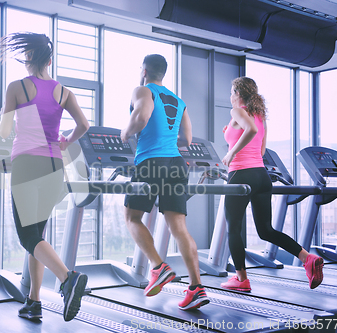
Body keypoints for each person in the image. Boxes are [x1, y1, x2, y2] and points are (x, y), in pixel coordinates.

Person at [0, 32, 90, 321]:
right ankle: (33, 302)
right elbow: (83, 125)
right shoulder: (63, 92)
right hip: (53, 167)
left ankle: (67, 278)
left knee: (28, 236)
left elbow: (3, 131)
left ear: (27, 58)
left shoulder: (16, 87)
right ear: (49, 60)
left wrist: (10, 121)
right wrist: (65, 141)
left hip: (26, 164)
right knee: (37, 236)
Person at [121, 54, 209, 311]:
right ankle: (196, 287)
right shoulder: (178, 100)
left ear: (145, 70)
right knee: (178, 226)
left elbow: (142, 117)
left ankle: (158, 267)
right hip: (176, 164)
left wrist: (126, 132)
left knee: (132, 217)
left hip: (151, 162)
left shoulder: (143, 90)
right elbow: (187, 138)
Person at [221, 76, 324, 292]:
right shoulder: (259, 115)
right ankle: (307, 258)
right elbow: (260, 150)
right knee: (266, 230)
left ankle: (241, 279)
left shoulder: (237, 111)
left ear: (239, 94)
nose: (230, 96)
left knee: (233, 228)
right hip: (261, 176)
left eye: (232, 92)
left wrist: (231, 152)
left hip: (240, 174)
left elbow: (251, 131)